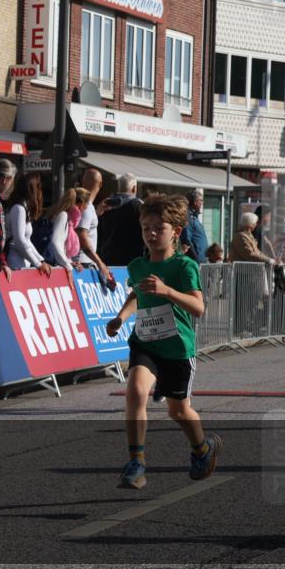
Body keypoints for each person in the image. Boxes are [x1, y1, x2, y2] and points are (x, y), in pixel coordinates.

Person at [106, 194, 219, 490]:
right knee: (135, 391)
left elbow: (198, 307)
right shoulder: (136, 266)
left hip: (177, 348)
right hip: (145, 342)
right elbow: (137, 296)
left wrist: (168, 291)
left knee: (178, 410)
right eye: (146, 228)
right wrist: (121, 317)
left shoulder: (184, 267)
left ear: (176, 232)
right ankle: (137, 462)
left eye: (159, 228)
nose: (152, 234)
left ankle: (202, 449)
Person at [76, 167, 116, 290]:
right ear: (101, 184)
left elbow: (84, 225)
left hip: (82, 263)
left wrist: (97, 212)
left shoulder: (86, 205)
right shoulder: (87, 207)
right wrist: (100, 264)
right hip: (84, 264)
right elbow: (82, 237)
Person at [5, 173, 53, 276]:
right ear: (32, 189)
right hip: (14, 263)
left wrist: (41, 260)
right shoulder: (18, 208)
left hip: (21, 262)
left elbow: (27, 241)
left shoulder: (23, 208)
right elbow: (19, 240)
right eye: (39, 187)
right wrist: (38, 263)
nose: (41, 192)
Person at [99, 174, 145, 267]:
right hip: (131, 260)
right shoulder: (139, 206)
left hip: (106, 258)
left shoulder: (105, 204)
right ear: (134, 188)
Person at [43, 187, 89, 270]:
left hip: (55, 264)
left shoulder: (67, 218)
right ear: (81, 204)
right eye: (87, 203)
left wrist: (69, 262)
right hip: (53, 265)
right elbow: (55, 242)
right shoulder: (63, 215)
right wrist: (67, 265)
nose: (87, 206)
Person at [180, 188, 209, 263]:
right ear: (196, 202)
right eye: (201, 200)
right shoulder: (188, 218)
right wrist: (196, 260)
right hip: (195, 263)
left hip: (201, 262)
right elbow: (187, 240)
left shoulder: (194, 218)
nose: (202, 203)